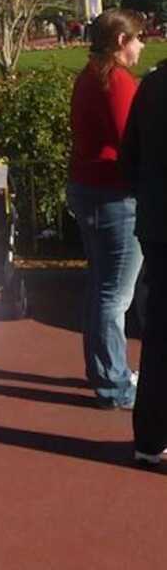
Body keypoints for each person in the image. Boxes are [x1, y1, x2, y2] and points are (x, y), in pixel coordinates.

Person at [67, 9, 145, 409]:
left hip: (90, 189)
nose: (141, 46)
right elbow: (132, 139)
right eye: (137, 38)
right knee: (115, 295)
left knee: (102, 287)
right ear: (120, 41)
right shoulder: (116, 82)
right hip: (112, 196)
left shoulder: (90, 76)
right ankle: (113, 383)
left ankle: (105, 372)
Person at [120, 58, 167, 463]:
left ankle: (150, 439)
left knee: (159, 337)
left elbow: (128, 157)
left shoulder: (152, 86)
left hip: (157, 224)